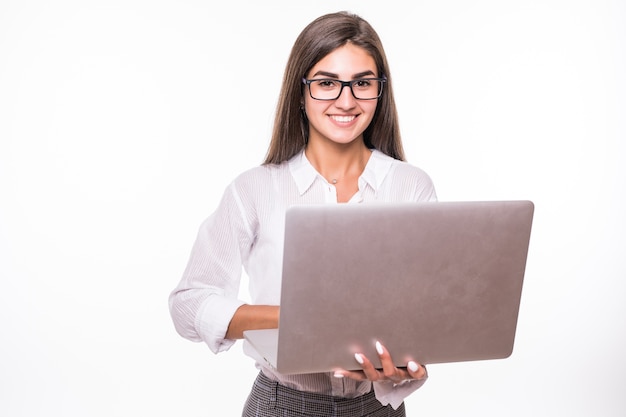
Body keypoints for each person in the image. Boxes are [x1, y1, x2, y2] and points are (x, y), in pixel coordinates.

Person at [169, 11, 437, 417]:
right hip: (280, 406)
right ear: (301, 91)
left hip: (377, 408)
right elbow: (188, 303)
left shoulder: (411, 187)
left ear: (380, 92)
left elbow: (423, 313)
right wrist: (290, 319)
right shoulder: (254, 190)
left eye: (362, 83)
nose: (346, 101)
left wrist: (403, 370)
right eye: (327, 83)